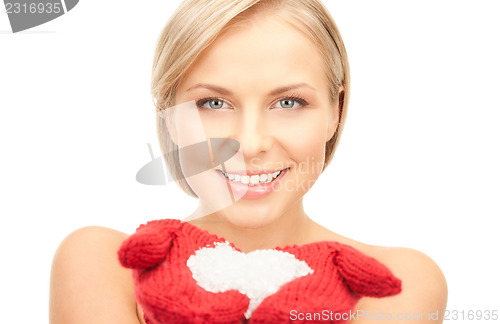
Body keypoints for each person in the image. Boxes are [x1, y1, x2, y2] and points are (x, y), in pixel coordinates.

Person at [49, 0, 448, 323]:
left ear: (336, 110)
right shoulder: (106, 263)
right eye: (214, 103)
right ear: (170, 117)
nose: (250, 143)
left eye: (289, 102)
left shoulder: (392, 280)